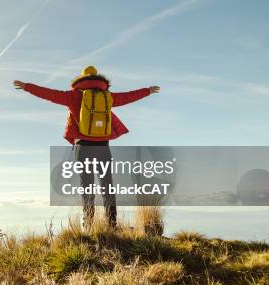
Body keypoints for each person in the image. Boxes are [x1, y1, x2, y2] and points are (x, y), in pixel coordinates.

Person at [13, 66, 159, 228]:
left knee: (87, 186)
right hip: (103, 146)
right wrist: (147, 91)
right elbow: (127, 97)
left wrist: (27, 87)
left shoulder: (73, 95)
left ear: (81, 79)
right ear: (98, 79)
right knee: (107, 185)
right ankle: (112, 224)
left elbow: (50, 94)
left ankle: (88, 225)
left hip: (83, 147)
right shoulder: (107, 96)